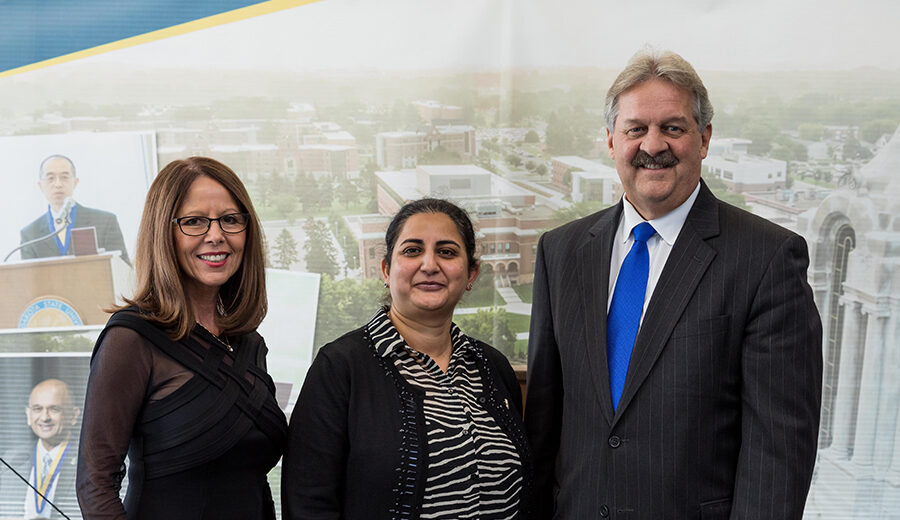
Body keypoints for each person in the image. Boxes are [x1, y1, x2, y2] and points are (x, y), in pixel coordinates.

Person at [524, 49, 823, 519]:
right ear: (610, 140)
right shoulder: (560, 251)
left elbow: (779, 452)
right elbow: (544, 426)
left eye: (673, 128)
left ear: (703, 139)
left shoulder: (766, 259)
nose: (653, 144)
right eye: (636, 129)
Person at [282, 198, 531, 519]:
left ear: (472, 273)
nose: (429, 264)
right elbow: (308, 502)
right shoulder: (340, 368)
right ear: (386, 270)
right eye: (412, 250)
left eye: (447, 252)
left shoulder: (491, 366)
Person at [75, 156, 287, 519]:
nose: (216, 235)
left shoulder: (249, 343)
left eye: (231, 220)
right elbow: (95, 485)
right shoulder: (131, 340)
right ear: (164, 232)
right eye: (194, 222)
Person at [19, 154, 130, 265]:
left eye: (64, 177)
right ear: (40, 185)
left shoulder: (105, 222)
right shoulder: (30, 235)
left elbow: (123, 268)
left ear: (75, 182)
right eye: (50, 178)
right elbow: (29, 279)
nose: (58, 184)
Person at [0, 379, 81, 520]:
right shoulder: (10, 461)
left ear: (74, 415)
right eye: (37, 409)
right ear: (28, 415)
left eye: (54, 409)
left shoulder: (88, 461)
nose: (44, 418)